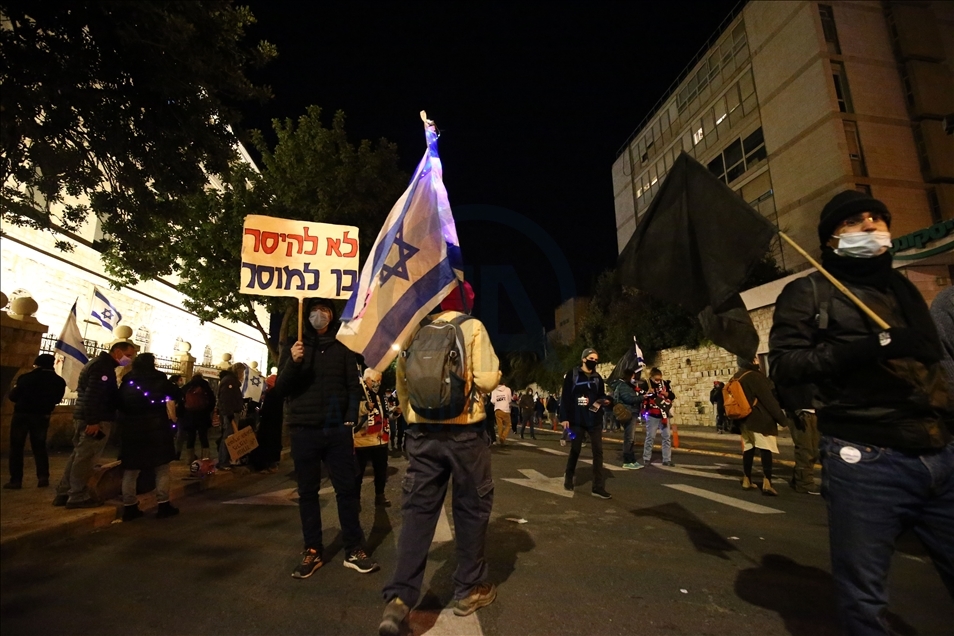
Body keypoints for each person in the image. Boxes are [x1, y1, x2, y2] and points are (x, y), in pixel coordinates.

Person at [768, 190, 953, 634]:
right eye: (854, 221)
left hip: (938, 451)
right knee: (864, 600)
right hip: (866, 458)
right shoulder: (809, 292)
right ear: (831, 239)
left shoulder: (902, 290)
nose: (870, 226)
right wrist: (874, 346)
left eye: (877, 218)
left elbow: (934, 365)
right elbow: (786, 365)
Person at [380, 282, 501, 635]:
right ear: (465, 302)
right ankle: (469, 589)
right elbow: (488, 380)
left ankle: (399, 599)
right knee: (471, 509)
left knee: (417, 513)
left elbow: (402, 384)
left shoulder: (415, 330)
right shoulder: (472, 326)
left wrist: (414, 418)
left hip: (422, 435)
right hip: (465, 434)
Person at [276, 298, 377, 579]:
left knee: (347, 490)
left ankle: (354, 548)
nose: (319, 315)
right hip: (303, 430)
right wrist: (294, 362)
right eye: (314, 311)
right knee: (307, 493)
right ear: (306, 315)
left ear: (332, 316)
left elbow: (353, 386)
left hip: (336, 431)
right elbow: (281, 389)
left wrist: (349, 419)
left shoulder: (343, 346)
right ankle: (312, 550)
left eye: (324, 311)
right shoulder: (295, 346)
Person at [53, 341, 137, 508]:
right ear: (117, 352)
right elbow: (93, 395)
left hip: (88, 417)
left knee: (79, 455)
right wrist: (93, 421)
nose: (129, 359)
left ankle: (65, 492)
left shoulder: (101, 365)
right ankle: (77, 495)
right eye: (128, 355)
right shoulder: (102, 368)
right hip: (95, 419)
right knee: (86, 458)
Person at [116, 353, 179, 520]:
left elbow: (119, 404)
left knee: (131, 470)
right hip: (158, 430)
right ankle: (163, 504)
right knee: (162, 468)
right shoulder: (160, 380)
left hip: (132, 430)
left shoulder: (127, 382)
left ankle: (129, 507)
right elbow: (176, 394)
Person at [5, 354, 66, 489]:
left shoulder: (26, 378)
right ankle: (43, 477)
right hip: (42, 416)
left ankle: (16, 480)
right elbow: (57, 399)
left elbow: (13, 396)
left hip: (22, 415)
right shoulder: (59, 381)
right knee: (39, 447)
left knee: (16, 447)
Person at [731, 356, 787, 496]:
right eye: (755, 358)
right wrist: (782, 419)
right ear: (752, 361)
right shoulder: (755, 376)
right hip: (760, 420)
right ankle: (767, 482)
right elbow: (768, 400)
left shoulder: (737, 377)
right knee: (766, 449)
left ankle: (746, 479)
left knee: (748, 449)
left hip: (744, 420)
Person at [560, 348, 611, 499]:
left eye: (596, 359)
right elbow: (565, 396)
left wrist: (606, 400)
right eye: (591, 358)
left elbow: (601, 394)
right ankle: (569, 476)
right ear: (583, 359)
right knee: (575, 449)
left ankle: (598, 486)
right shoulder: (573, 374)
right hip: (577, 419)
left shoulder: (597, 378)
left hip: (594, 419)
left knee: (598, 452)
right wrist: (564, 417)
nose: (593, 361)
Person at [354, 367, 391, 507]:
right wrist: (364, 407)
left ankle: (380, 495)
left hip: (380, 439)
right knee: (358, 473)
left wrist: (394, 413)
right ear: (367, 380)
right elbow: (349, 409)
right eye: (375, 381)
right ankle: (355, 500)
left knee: (381, 471)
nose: (378, 384)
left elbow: (384, 413)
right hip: (362, 441)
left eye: (379, 381)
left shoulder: (380, 394)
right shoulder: (358, 391)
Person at [775, 381, 820, 495]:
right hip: (801, 411)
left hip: (812, 409)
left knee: (814, 449)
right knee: (806, 448)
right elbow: (783, 385)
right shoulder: (791, 372)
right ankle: (804, 483)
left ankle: (799, 478)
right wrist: (794, 407)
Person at [177, 372, 216, 464]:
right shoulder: (205, 386)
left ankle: (189, 458)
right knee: (203, 437)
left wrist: (182, 415)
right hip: (203, 416)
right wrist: (207, 411)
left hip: (189, 416)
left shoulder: (187, 387)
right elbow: (212, 401)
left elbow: (181, 402)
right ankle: (205, 458)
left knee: (191, 437)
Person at [641, 368, 675, 467]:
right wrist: (648, 392)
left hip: (664, 413)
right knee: (650, 437)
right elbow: (641, 396)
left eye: (659, 379)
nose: (658, 381)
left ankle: (667, 459)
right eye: (656, 379)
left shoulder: (665, 384)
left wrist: (666, 394)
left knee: (666, 437)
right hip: (652, 413)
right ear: (651, 377)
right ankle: (646, 458)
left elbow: (672, 396)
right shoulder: (646, 384)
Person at [251, 372, 283, 473]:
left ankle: (265, 465)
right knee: (274, 443)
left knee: (266, 444)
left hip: (268, 424)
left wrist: (259, 411)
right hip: (276, 423)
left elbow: (266, 410)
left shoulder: (271, 394)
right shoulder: (280, 394)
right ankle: (272, 464)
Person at [613, 369, 645, 470]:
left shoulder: (626, 386)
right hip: (629, 412)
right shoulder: (623, 386)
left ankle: (632, 460)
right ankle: (627, 461)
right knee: (629, 438)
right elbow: (628, 399)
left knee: (630, 438)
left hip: (631, 412)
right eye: (633, 376)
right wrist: (642, 397)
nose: (634, 379)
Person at [215, 364, 245, 469]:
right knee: (228, 437)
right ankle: (223, 461)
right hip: (230, 414)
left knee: (230, 436)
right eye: (242, 372)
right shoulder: (229, 381)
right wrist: (230, 414)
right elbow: (226, 399)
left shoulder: (230, 381)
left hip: (231, 412)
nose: (243, 375)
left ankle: (228, 459)